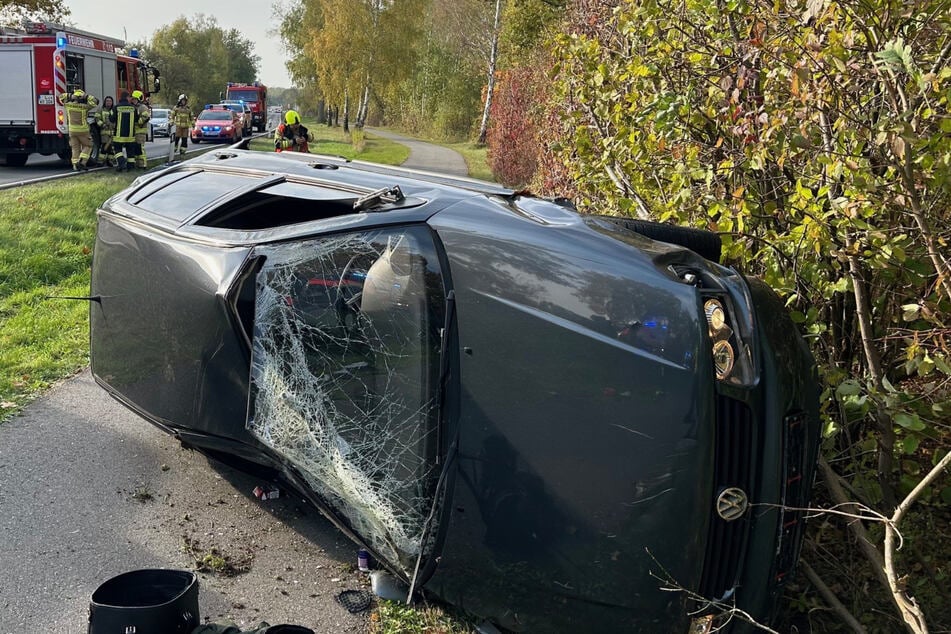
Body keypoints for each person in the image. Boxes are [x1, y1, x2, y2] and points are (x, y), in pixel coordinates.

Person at [58, 88, 99, 171]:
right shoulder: (84, 107)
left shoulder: (68, 105)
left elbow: (60, 97)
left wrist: (71, 96)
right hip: (83, 130)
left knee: (75, 148)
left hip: (72, 131)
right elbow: (95, 102)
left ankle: (75, 166)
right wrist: (86, 96)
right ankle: (82, 162)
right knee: (88, 145)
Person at [112, 91, 138, 172]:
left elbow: (111, 119)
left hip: (119, 134)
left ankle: (122, 163)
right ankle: (131, 167)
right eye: (130, 97)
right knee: (130, 152)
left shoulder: (116, 107)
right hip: (130, 135)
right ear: (127, 98)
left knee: (117, 149)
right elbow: (137, 119)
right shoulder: (133, 108)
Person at [95, 96, 118, 167]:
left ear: (112, 102)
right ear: (105, 102)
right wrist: (102, 125)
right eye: (107, 101)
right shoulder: (100, 109)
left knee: (112, 148)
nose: (108, 102)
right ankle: (100, 161)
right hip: (104, 132)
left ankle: (110, 161)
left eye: (110, 101)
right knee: (104, 147)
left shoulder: (114, 110)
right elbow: (97, 119)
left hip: (113, 132)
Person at [131, 90, 151, 169]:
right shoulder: (133, 107)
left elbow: (145, 118)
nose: (133, 100)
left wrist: (136, 121)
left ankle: (143, 165)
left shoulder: (143, 107)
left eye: (135, 99)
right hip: (134, 131)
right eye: (133, 99)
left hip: (140, 131)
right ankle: (137, 164)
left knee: (140, 148)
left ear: (139, 99)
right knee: (135, 148)